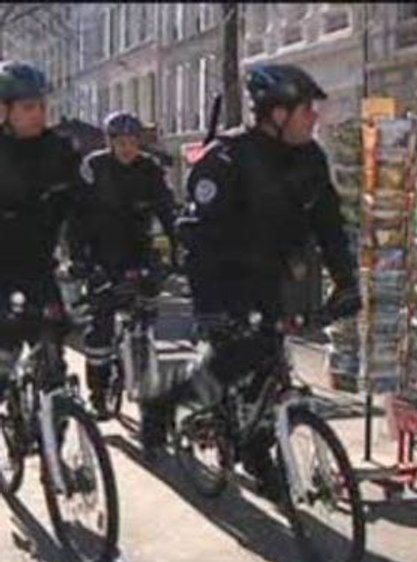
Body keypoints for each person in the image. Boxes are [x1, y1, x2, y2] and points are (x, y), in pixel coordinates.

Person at [141, 64, 361, 499]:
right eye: (305, 110)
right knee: (234, 362)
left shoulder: (309, 157)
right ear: (276, 114)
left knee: (270, 370)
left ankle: (257, 451)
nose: (313, 118)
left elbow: (329, 223)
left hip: (276, 280)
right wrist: (211, 309)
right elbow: (197, 239)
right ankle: (164, 404)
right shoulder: (226, 159)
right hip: (225, 283)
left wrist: (346, 281)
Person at [74, 111, 177, 419]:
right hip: (101, 254)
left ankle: (146, 375)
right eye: (120, 142)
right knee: (101, 329)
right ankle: (98, 393)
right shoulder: (94, 167)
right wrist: (79, 259)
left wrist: (179, 249)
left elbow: (167, 212)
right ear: (110, 142)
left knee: (145, 317)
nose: (127, 148)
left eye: (132, 142)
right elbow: (76, 217)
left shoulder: (150, 169)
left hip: (139, 251)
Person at [0, 61, 79, 395]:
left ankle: (55, 422)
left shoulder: (59, 151)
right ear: (3, 111)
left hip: (39, 269)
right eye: (29, 107)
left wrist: (84, 257)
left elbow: (82, 209)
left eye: (42, 106)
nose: (39, 114)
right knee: (5, 351)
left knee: (53, 349)